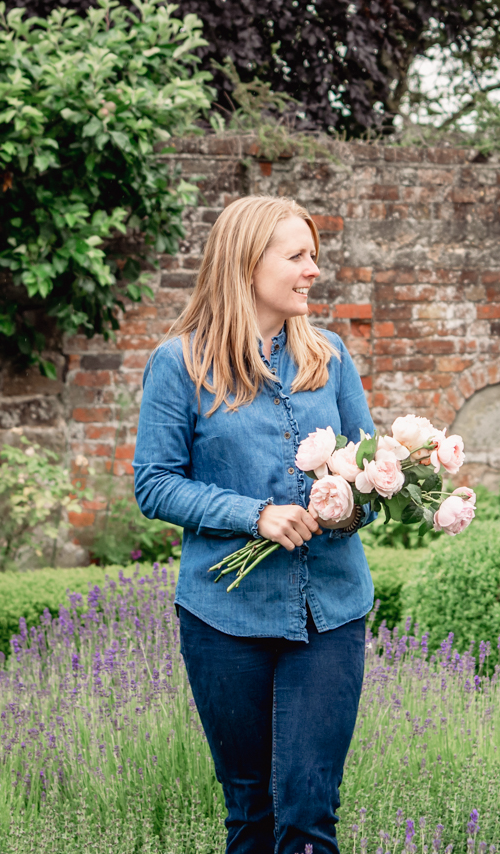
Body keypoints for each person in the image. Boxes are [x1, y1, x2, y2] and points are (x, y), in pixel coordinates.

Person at [133, 195, 376, 854]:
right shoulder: (179, 364)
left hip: (330, 612)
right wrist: (254, 516)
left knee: (306, 811)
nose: (312, 271)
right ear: (246, 264)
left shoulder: (330, 357)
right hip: (225, 618)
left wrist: (344, 506)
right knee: (251, 815)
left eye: (314, 257)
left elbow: (375, 475)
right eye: (296, 257)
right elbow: (153, 485)